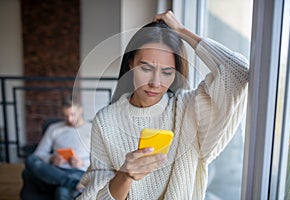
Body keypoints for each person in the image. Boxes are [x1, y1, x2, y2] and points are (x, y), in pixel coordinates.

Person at [77, 10, 249, 200]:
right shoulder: (106, 121)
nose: (155, 82)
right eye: (146, 68)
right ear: (131, 63)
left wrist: (182, 31)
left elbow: (238, 70)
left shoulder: (189, 109)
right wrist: (125, 175)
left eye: (167, 72)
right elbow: (96, 197)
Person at [20, 95, 92, 200]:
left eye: (73, 114)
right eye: (65, 115)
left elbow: (102, 159)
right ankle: (73, 184)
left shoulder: (92, 129)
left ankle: (71, 183)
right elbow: (38, 154)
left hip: (79, 171)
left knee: (62, 191)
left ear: (81, 110)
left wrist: (83, 163)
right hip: (54, 171)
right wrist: (52, 159)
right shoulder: (54, 129)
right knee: (30, 159)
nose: (70, 119)